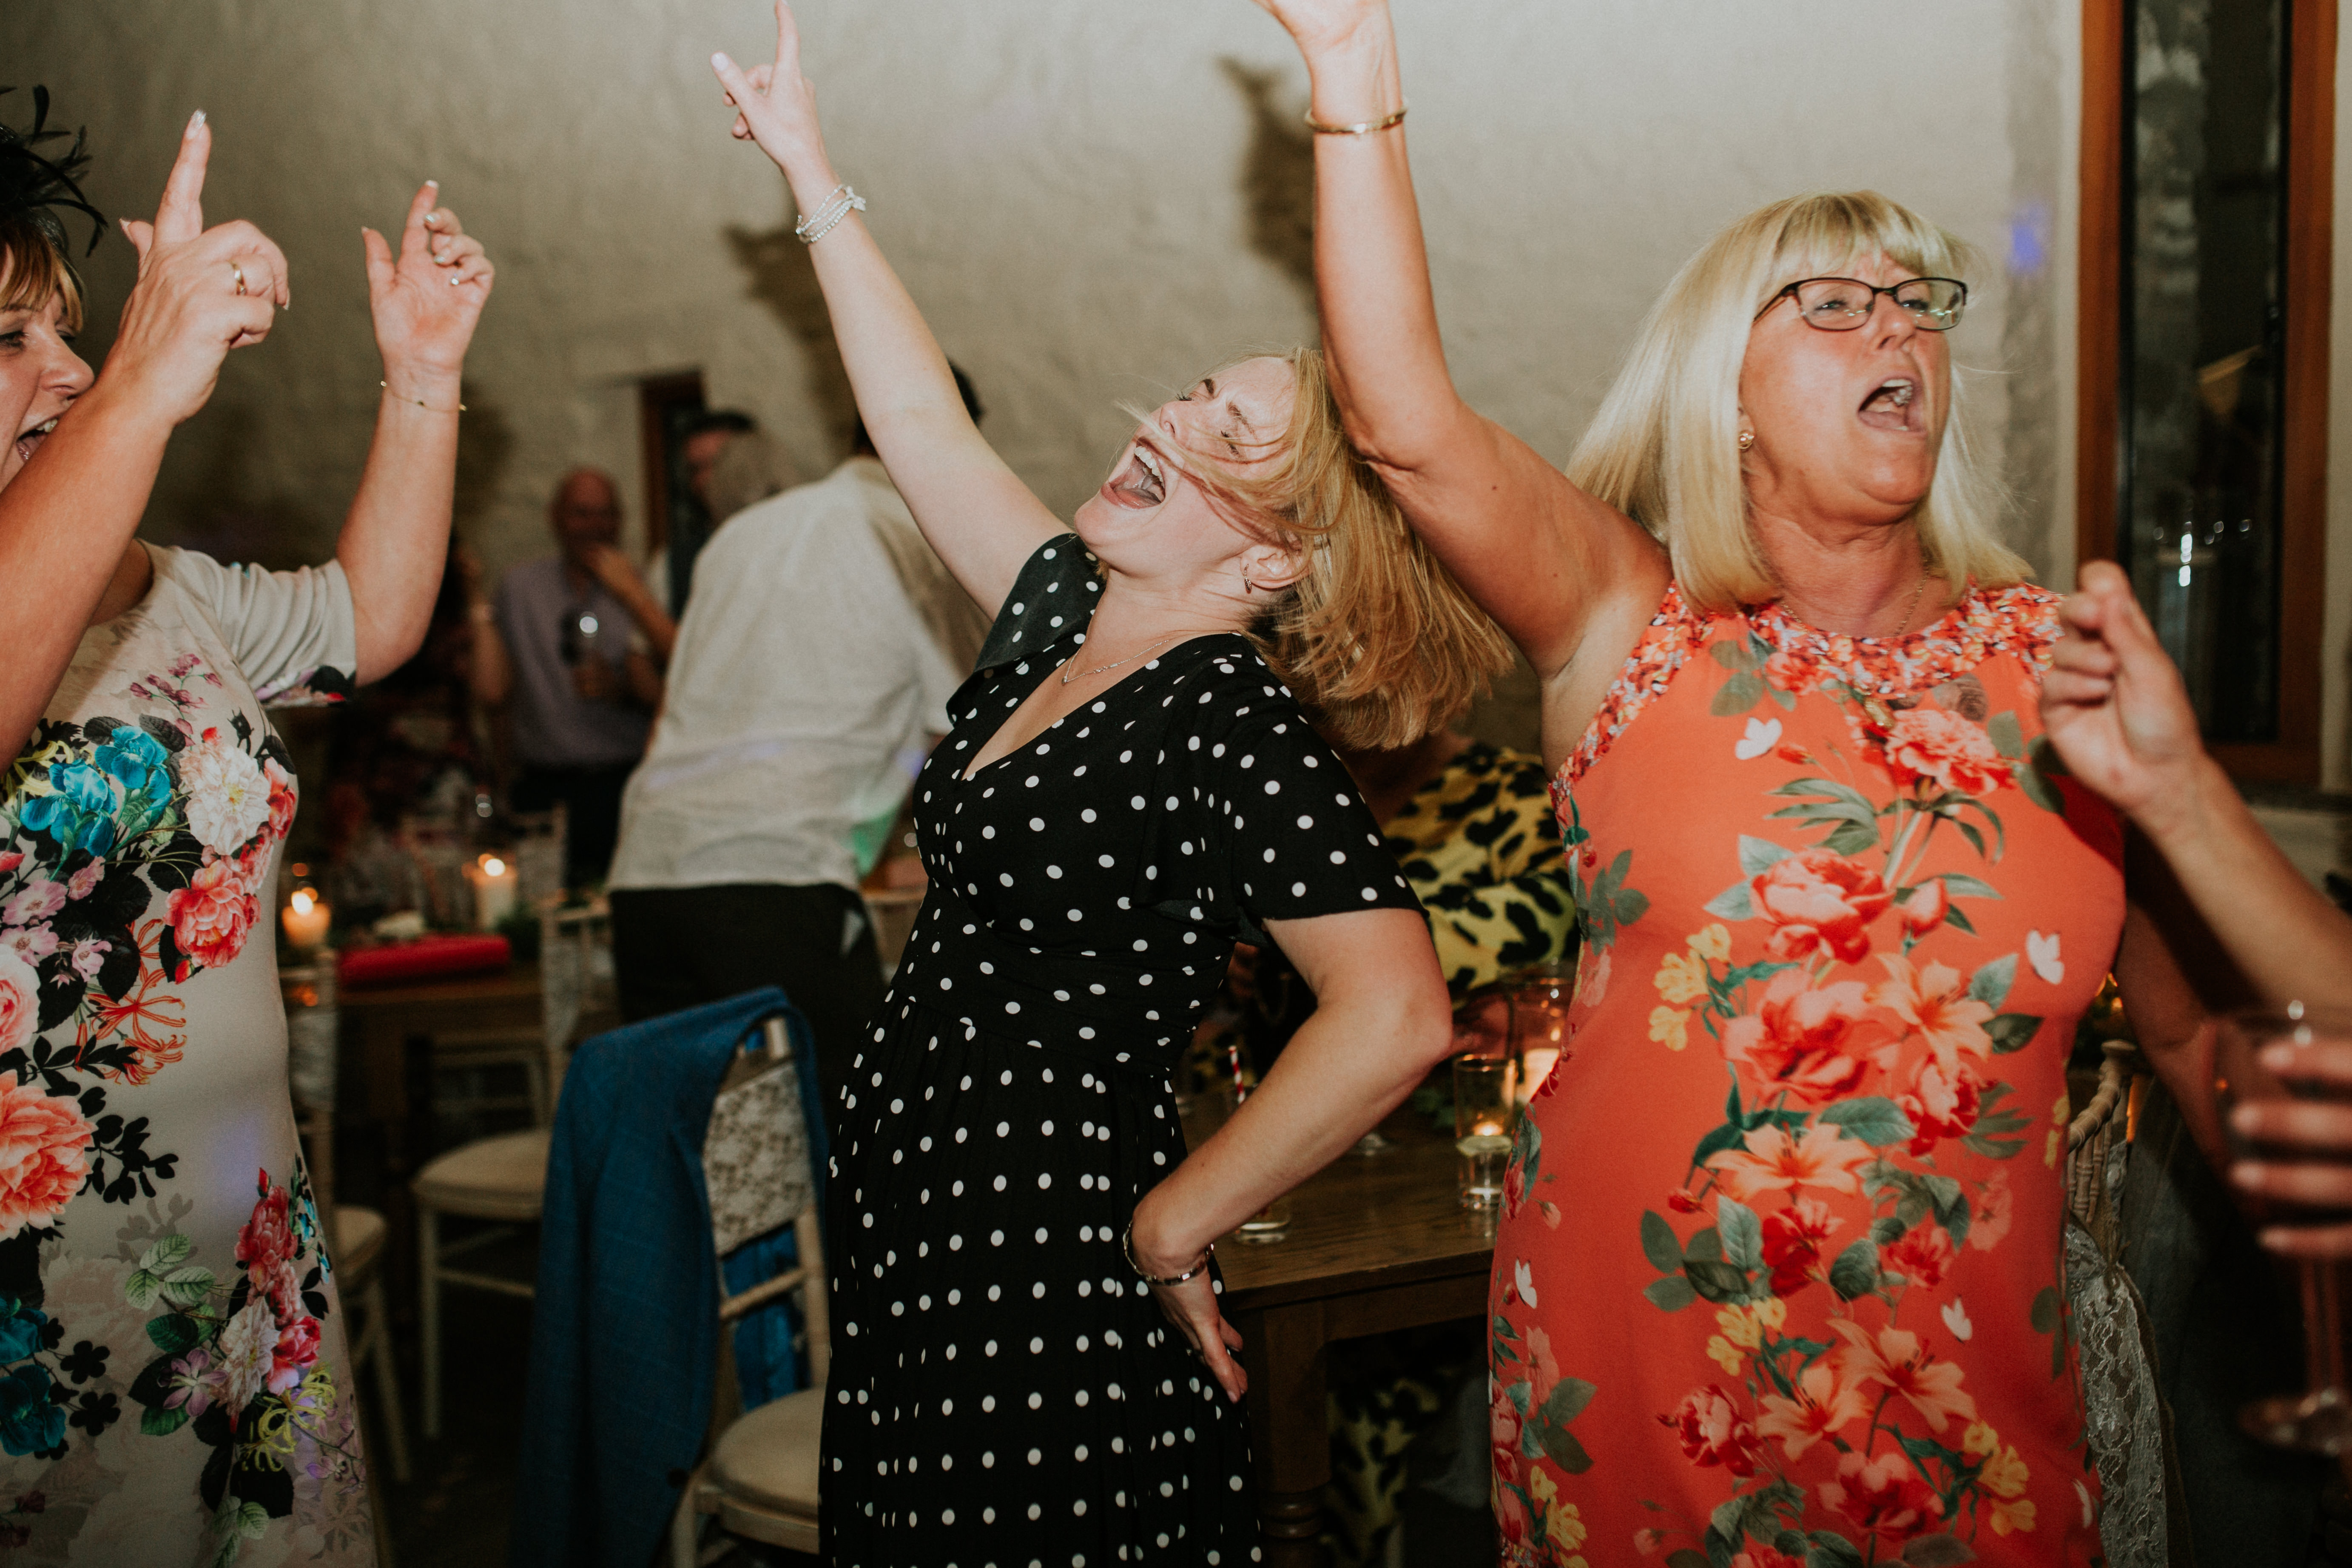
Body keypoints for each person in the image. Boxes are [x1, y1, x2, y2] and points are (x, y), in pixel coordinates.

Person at [1251, 2, 2234, 1559]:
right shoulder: (1624, 622)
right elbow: (1406, 427)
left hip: (1971, 1411)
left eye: (1916, 303)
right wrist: (1354, 86)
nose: (1896, 329)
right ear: (1719, 387)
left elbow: (2197, 1044)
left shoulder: (2062, 666)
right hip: (1651, 1390)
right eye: (1831, 302)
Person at [706, 8, 1507, 1560]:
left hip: (1044, 1260)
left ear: (1270, 555)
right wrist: (814, 170)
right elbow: (916, 417)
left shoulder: (1220, 710)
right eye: (1185, 394)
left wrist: (1170, 1219)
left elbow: (1395, 1008)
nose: (1164, 418)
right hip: (921, 1244)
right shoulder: (1058, 615)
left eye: (1222, 440)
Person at [0, 97, 491, 1555]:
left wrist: (421, 374)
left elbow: (367, 622)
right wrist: (141, 394)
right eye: (8, 338)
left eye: (76, 331)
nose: (73, 365)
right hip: (45, 1318)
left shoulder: (154, 586)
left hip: (251, 1260)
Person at [605, 368, 992, 1108]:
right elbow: (964, 738)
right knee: (855, 1147)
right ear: (960, 440)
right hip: (773, 883)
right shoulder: (918, 538)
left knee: (697, 1159)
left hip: (648, 875)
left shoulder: (742, 534)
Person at [464, 467, 662, 888]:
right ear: (555, 518)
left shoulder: (641, 589)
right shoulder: (520, 589)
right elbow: (500, 693)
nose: (595, 527)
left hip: (622, 783)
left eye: (606, 514)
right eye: (582, 513)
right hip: (542, 788)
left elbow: (673, 694)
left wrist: (621, 690)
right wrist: (502, 785)